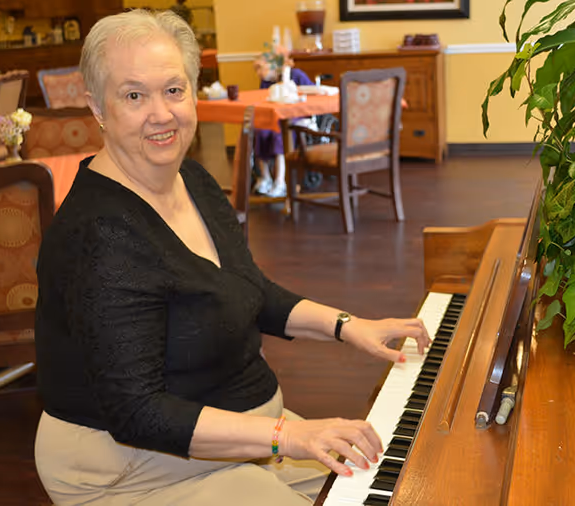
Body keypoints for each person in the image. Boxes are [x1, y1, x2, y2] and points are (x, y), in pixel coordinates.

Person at [33, 9, 430, 506]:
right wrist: (289, 436)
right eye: (134, 95)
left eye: (174, 90)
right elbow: (137, 412)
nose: (161, 113)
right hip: (135, 467)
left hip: (237, 444)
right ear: (97, 107)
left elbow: (247, 289)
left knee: (390, 478)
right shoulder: (99, 234)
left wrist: (350, 326)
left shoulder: (193, 180)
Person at [252, 64, 314, 198]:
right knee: (260, 131)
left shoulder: (296, 75)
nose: (258, 73)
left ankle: (280, 181)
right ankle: (265, 177)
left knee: (278, 134)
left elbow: (313, 93)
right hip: (274, 116)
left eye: (260, 68)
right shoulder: (266, 82)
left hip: (294, 115)